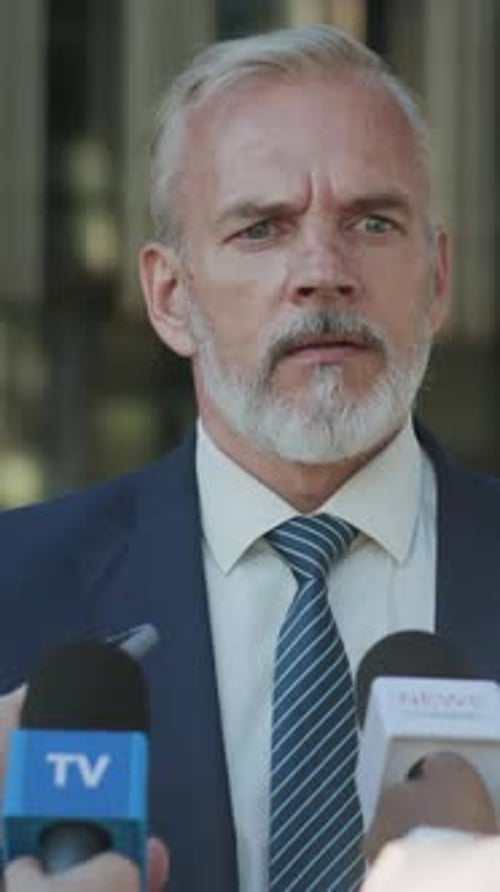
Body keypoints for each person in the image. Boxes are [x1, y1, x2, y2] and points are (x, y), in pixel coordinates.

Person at [1, 21, 500, 892]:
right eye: (263, 228)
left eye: (373, 222)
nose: (323, 271)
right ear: (169, 297)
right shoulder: (14, 591)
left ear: (438, 280)